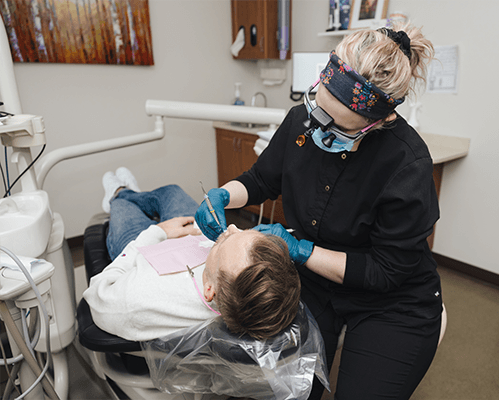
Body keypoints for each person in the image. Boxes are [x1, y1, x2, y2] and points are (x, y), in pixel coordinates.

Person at [195, 23, 442, 400]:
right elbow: (261, 179)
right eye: (317, 107)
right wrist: (224, 196)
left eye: (336, 126)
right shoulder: (301, 121)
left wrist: (303, 252)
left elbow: (385, 271)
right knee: (291, 391)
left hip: (390, 301)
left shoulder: (407, 165)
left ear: (376, 122)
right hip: (314, 285)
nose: (316, 129)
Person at [83, 168, 301, 342]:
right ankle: (137, 196)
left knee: (122, 206)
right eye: (243, 232)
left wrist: (157, 232)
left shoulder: (134, 300)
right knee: (171, 191)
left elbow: (98, 289)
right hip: (191, 237)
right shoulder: (235, 280)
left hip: (141, 249)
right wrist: (223, 242)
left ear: (209, 290)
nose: (232, 226)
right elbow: (236, 257)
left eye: (223, 241)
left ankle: (121, 192)